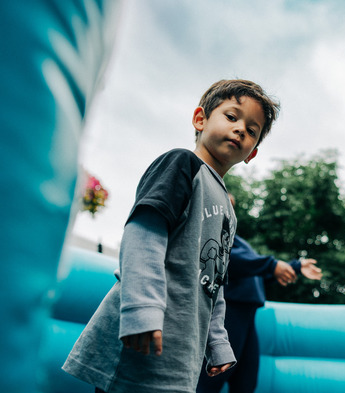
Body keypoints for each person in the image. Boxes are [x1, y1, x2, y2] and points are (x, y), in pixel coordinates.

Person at [62, 79, 281, 393]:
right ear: (200, 119)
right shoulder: (182, 164)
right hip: (144, 332)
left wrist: (218, 342)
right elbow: (143, 235)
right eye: (232, 117)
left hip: (181, 351)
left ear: (252, 153)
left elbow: (215, 281)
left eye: (252, 129)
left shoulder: (228, 212)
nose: (240, 130)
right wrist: (141, 309)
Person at [196, 196, 322, 393]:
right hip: (229, 313)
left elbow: (253, 273)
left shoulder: (236, 239)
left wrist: (293, 268)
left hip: (248, 315)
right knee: (213, 378)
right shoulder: (209, 234)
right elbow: (236, 262)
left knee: (246, 381)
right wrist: (273, 266)